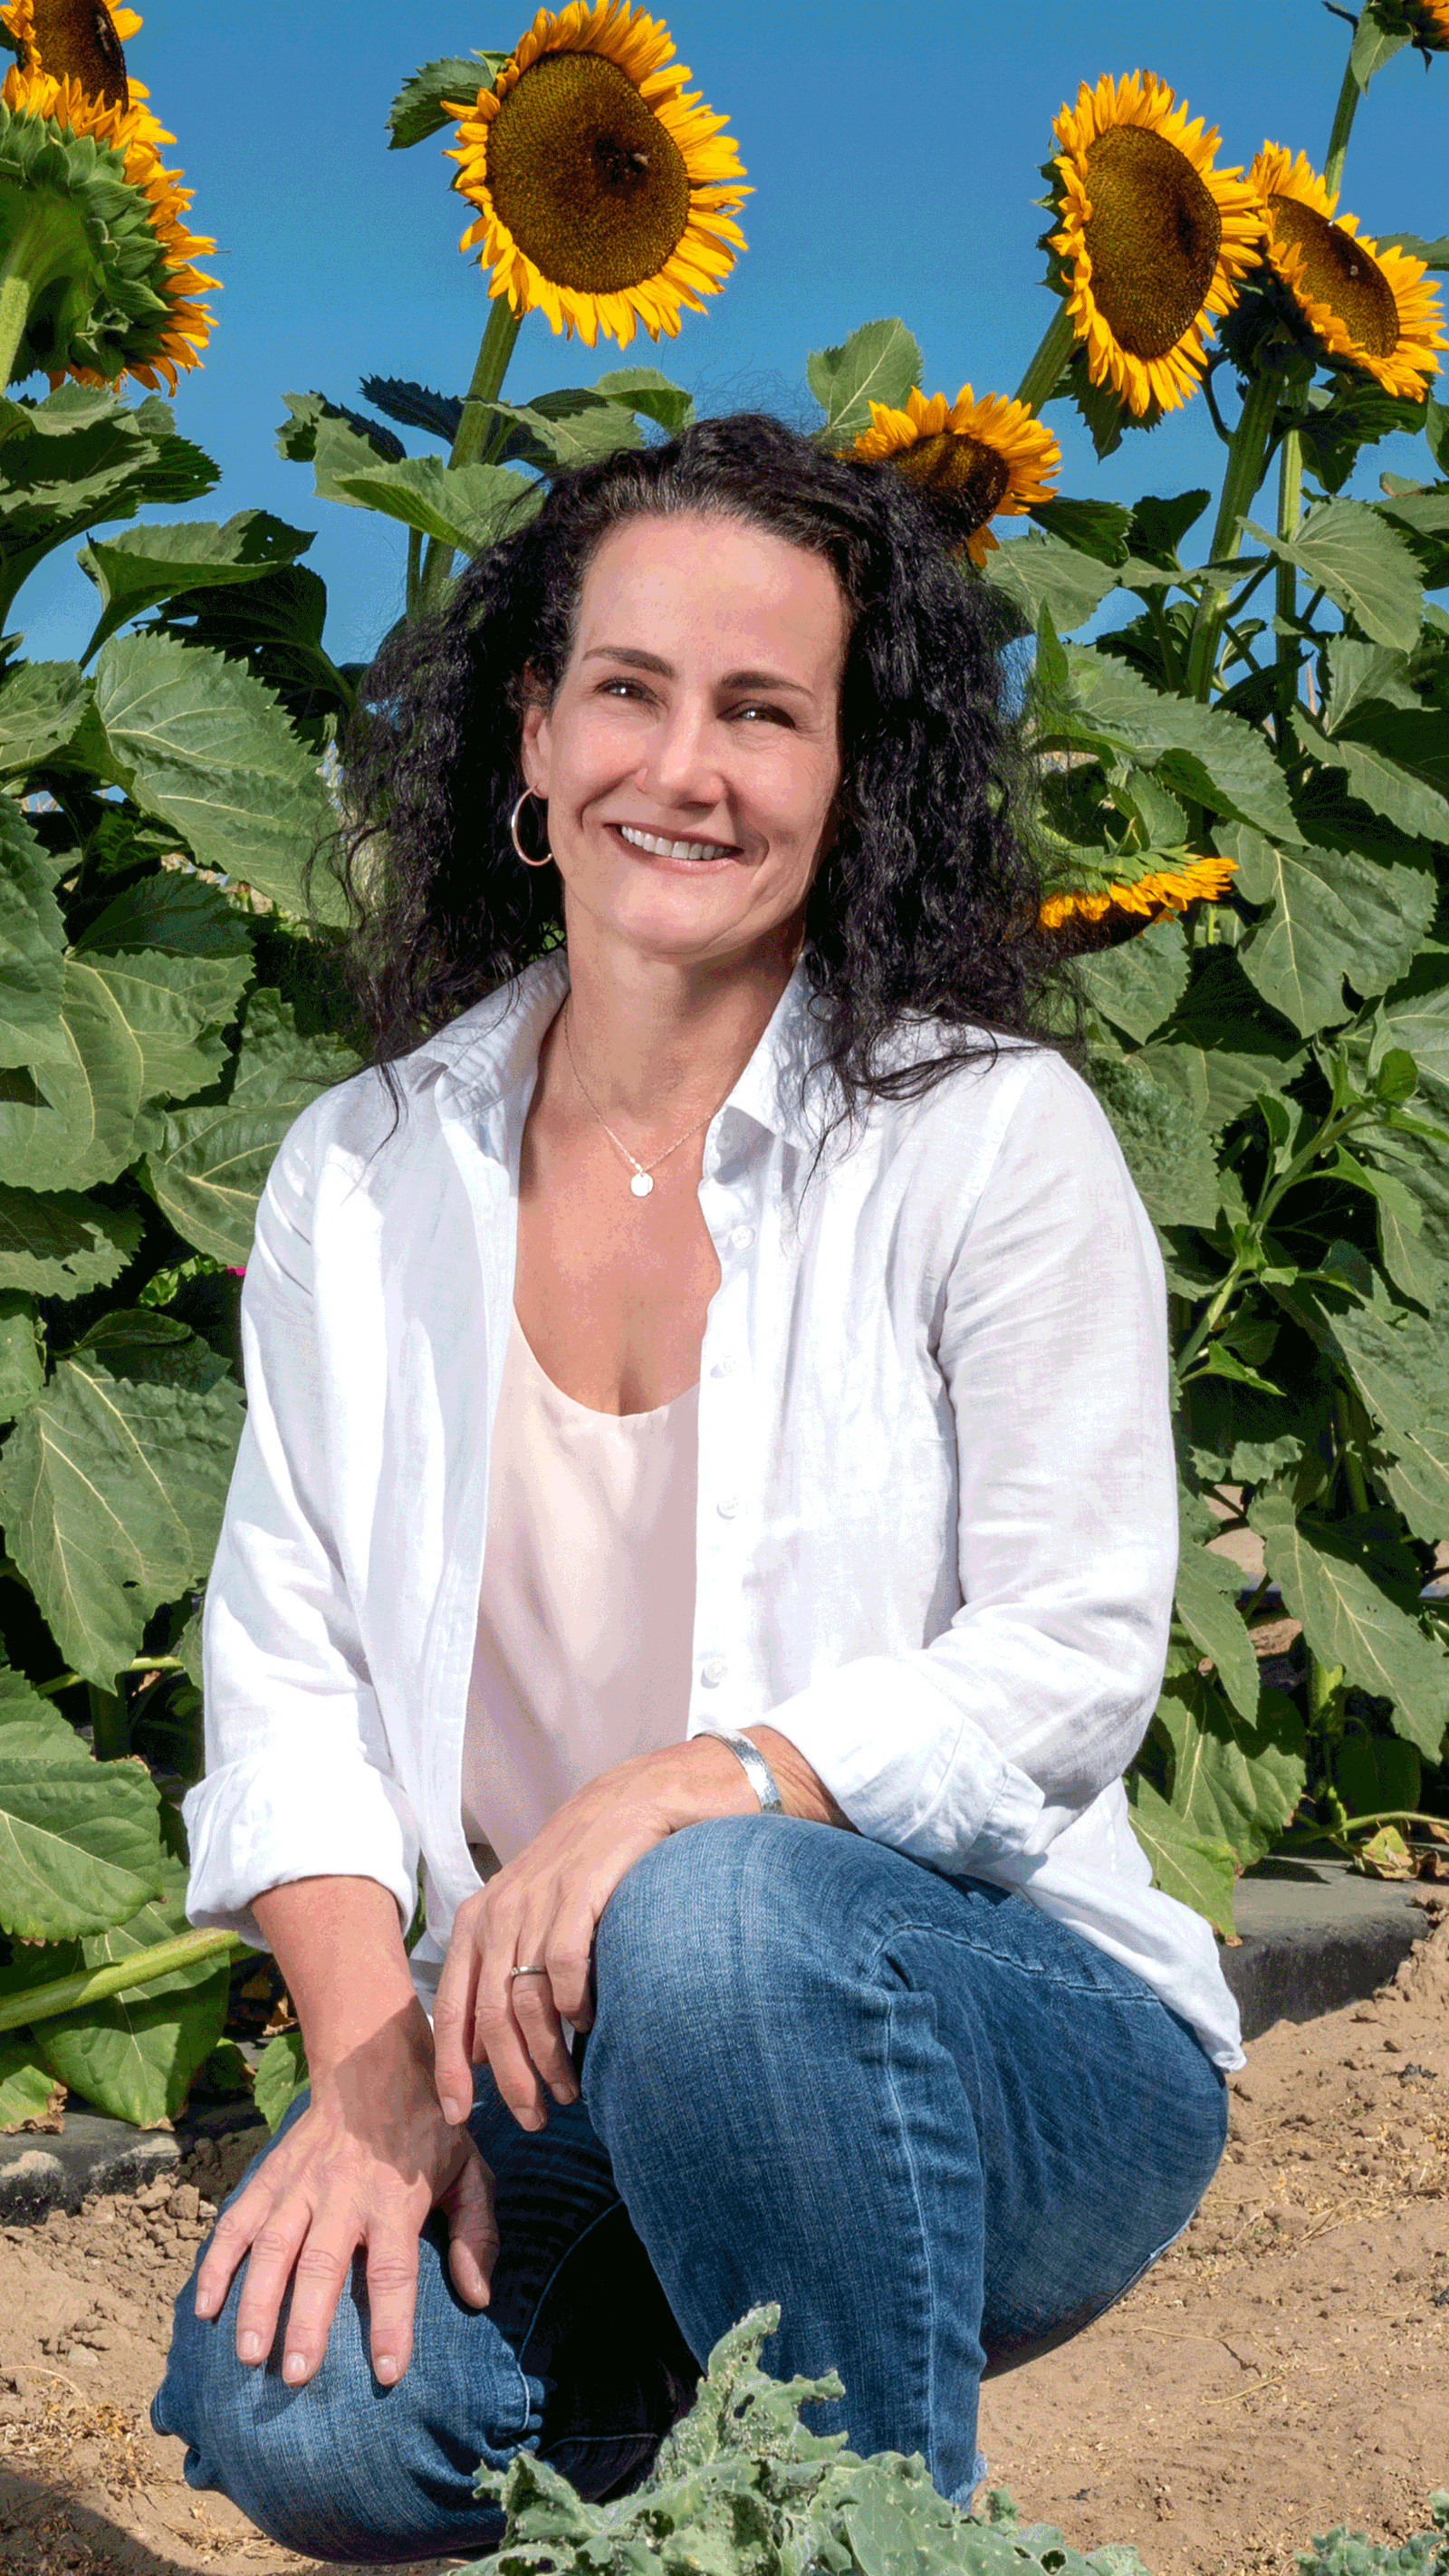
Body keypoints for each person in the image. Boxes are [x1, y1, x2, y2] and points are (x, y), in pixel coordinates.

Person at [151, 412, 1240, 2566]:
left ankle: (862, 2537)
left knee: (711, 1912)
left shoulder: (980, 1139)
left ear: (849, 777)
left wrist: (689, 1783)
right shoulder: (361, 1178)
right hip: (569, 2061)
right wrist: (372, 2068)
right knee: (304, 2407)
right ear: (532, 736)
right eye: (630, 693)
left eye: (765, 711)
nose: (689, 768)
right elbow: (283, 1670)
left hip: (1013, 2044)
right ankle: (699, 2444)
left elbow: (1075, 1649)